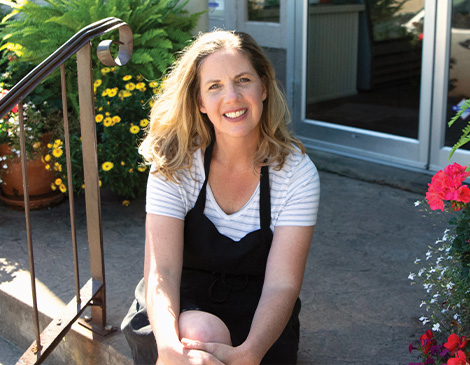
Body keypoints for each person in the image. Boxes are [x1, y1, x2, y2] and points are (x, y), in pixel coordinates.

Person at [121, 29, 320, 365]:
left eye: (243, 80)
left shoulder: (296, 174)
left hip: (257, 314)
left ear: (264, 87)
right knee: (198, 338)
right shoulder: (176, 165)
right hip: (180, 303)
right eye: (214, 86)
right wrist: (169, 348)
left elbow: (282, 286)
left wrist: (252, 351)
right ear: (199, 101)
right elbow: (163, 271)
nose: (232, 97)